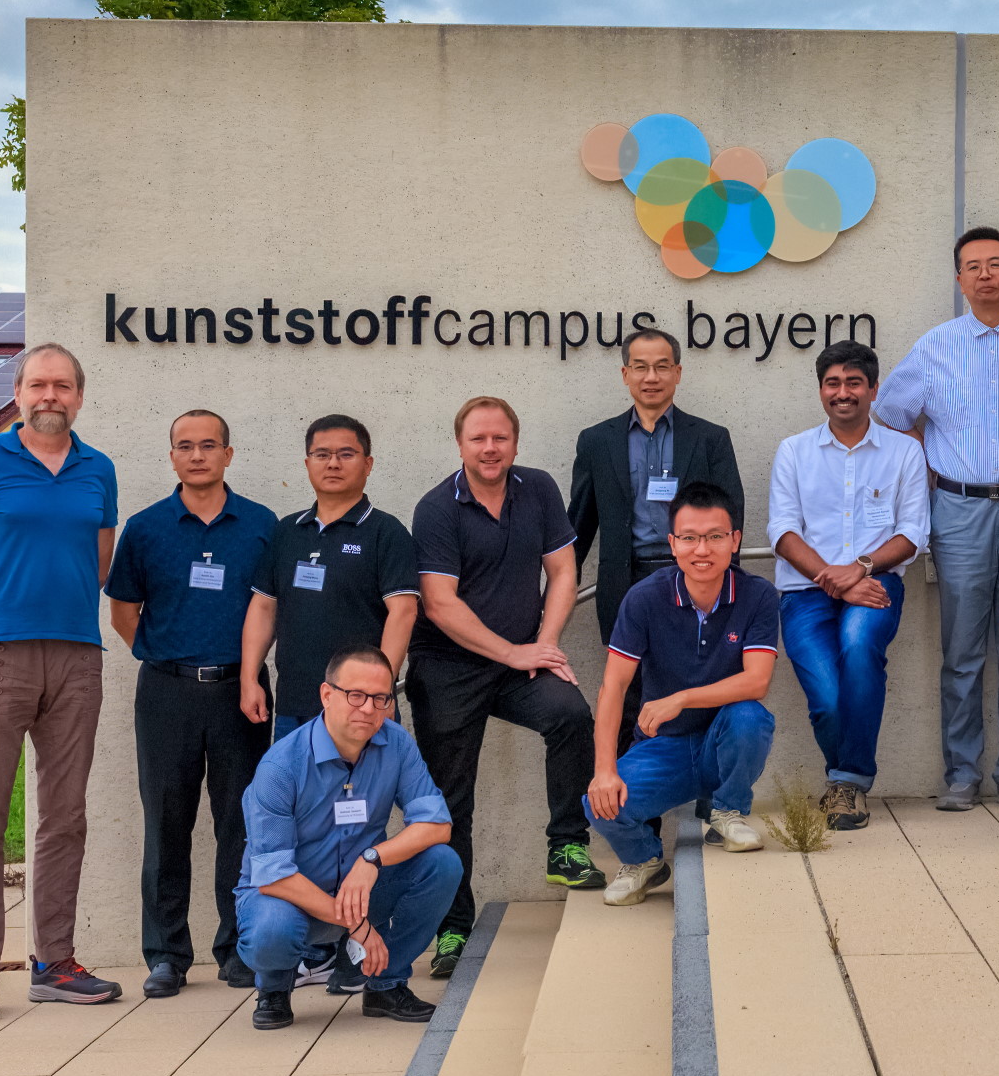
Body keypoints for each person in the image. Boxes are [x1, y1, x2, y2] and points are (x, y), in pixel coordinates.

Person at [0, 343, 121, 1022]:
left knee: (65, 817)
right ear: (18, 393)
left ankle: (55, 963)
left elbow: (99, 563)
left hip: (76, 659)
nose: (50, 396)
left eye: (62, 385)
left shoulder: (99, 470)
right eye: (38, 384)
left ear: (79, 396)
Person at [409, 397, 602, 984]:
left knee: (570, 715)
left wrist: (544, 644)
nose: (490, 449)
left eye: (500, 438)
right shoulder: (436, 508)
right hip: (448, 669)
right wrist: (514, 651)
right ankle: (452, 929)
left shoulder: (538, 489)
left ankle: (565, 845)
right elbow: (439, 604)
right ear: (460, 445)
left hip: (518, 662)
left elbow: (563, 571)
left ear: (515, 442)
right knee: (450, 804)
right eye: (478, 439)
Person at [874, 226, 999, 812]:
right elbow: (890, 413)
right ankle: (961, 773)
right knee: (961, 651)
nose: (985, 274)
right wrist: (927, 467)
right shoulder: (935, 346)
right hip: (958, 511)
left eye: (995, 264)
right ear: (959, 279)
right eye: (973, 266)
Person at [104, 408, 278, 997]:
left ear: (228, 454)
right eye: (185, 445)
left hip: (240, 691)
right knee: (166, 824)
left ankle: (239, 948)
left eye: (208, 445)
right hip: (166, 692)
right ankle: (166, 955)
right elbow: (123, 612)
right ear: (172, 456)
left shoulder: (261, 525)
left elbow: (271, 607)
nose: (197, 455)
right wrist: (166, 655)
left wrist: (245, 673)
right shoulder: (146, 528)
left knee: (241, 824)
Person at [234, 645, 459, 1032]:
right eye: (355, 695)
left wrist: (371, 859)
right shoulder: (281, 766)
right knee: (272, 930)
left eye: (380, 698)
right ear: (327, 694)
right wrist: (359, 927)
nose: (368, 709)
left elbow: (437, 825)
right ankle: (274, 986)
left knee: (441, 863)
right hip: (293, 898)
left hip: (361, 890)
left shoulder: (397, 743)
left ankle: (386, 985)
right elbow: (273, 875)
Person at [586, 482, 781, 893]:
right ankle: (645, 860)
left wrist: (682, 699)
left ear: (735, 540)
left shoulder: (758, 595)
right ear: (673, 544)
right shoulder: (644, 598)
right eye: (689, 538)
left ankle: (727, 812)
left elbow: (757, 681)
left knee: (750, 716)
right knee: (599, 804)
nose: (702, 550)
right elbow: (613, 686)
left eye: (715, 537)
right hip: (665, 747)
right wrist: (604, 771)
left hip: (721, 740)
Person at [767, 340, 928, 832]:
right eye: (832, 383)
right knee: (826, 696)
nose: (843, 392)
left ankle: (847, 783)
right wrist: (833, 580)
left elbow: (913, 533)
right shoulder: (794, 451)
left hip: (875, 585)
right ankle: (846, 776)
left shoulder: (905, 451)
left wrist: (859, 569)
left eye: (854, 382)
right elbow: (782, 531)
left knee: (859, 646)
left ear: (874, 390)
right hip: (805, 592)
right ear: (820, 390)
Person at [240, 415, 419, 744]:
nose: (333, 463)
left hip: (361, 707)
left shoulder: (386, 532)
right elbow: (264, 607)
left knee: (362, 781)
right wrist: (249, 678)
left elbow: (403, 613)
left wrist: (381, 693)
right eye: (322, 454)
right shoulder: (287, 531)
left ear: (368, 464)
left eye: (346, 454)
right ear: (307, 464)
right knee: (294, 780)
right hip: (293, 705)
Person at [569, 326, 745, 647]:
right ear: (626, 374)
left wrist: (727, 585)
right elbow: (580, 522)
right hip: (625, 582)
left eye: (662, 367)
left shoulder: (710, 438)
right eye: (641, 367)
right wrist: (564, 582)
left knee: (697, 670)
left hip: (695, 575)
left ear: (677, 373)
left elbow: (732, 515)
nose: (651, 377)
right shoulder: (597, 441)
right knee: (631, 674)